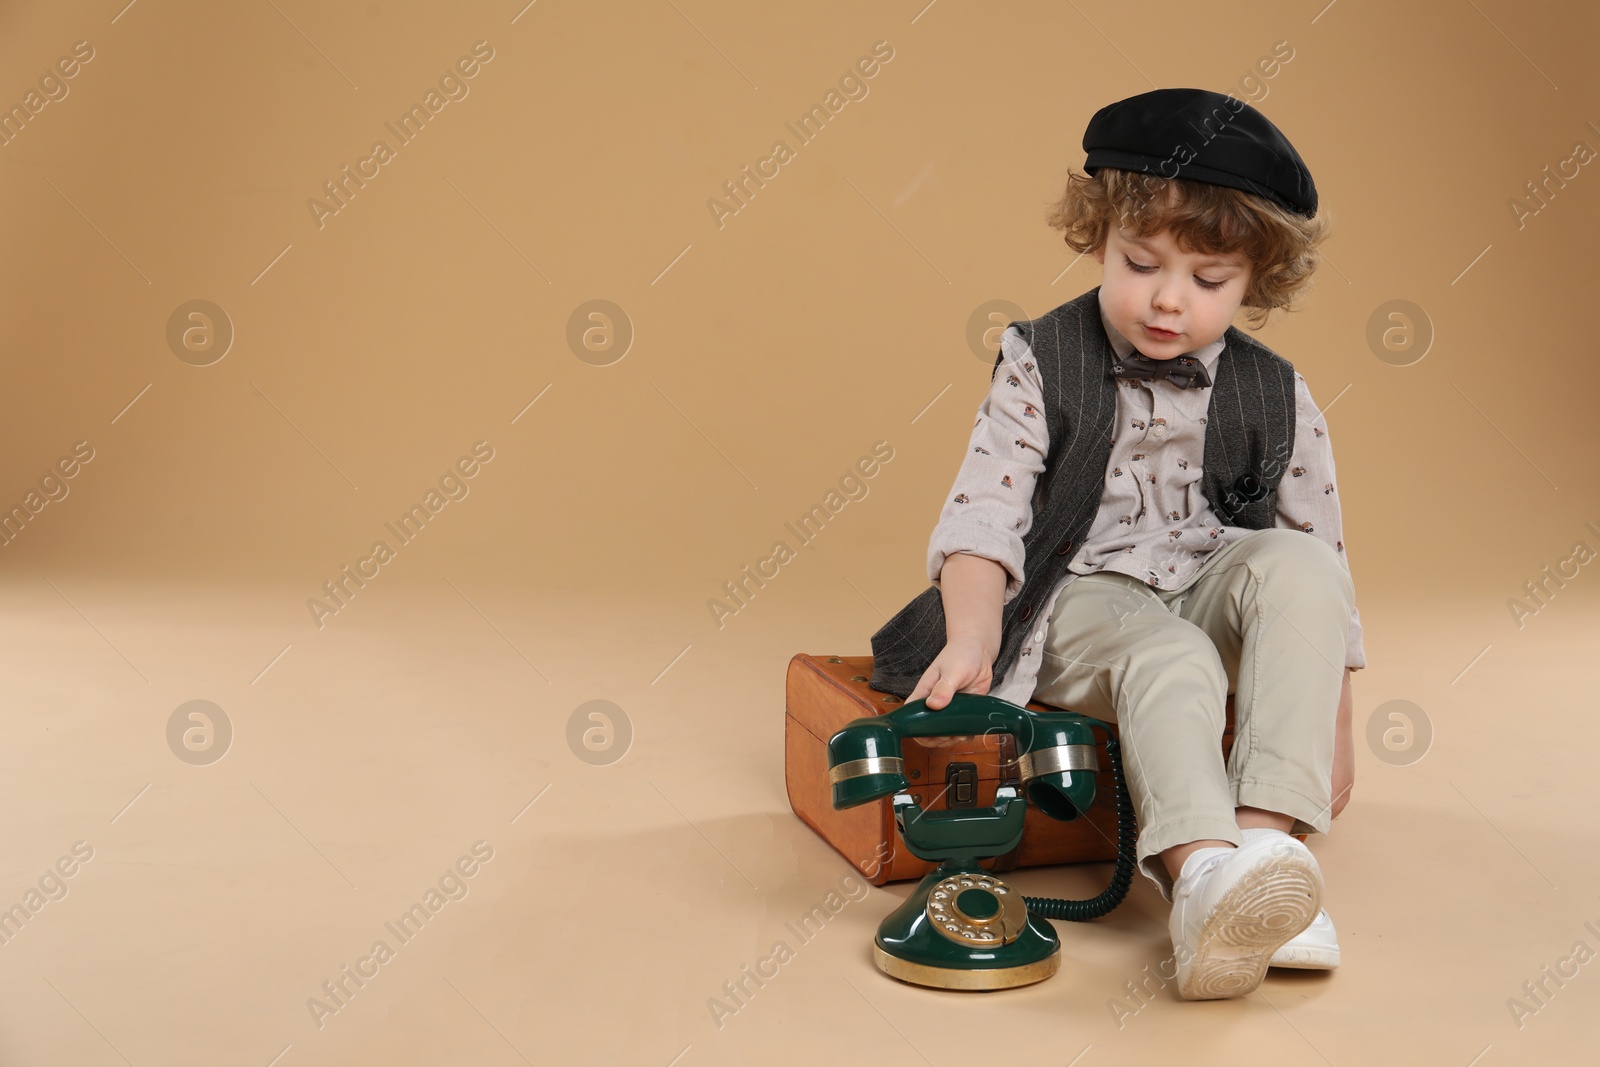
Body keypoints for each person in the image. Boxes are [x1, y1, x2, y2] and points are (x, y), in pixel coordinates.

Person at [867, 88, 1365, 1000]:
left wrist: (1332, 724)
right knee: (1168, 651)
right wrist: (973, 634)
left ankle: (1263, 855)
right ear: (1098, 236)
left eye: (1209, 282)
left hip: (1206, 581)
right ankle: (1200, 877)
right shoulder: (1040, 358)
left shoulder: (1277, 390)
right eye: (1141, 263)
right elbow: (984, 516)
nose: (1169, 300)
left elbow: (1320, 559)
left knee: (1299, 564)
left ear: (1256, 281)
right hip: (1080, 596)